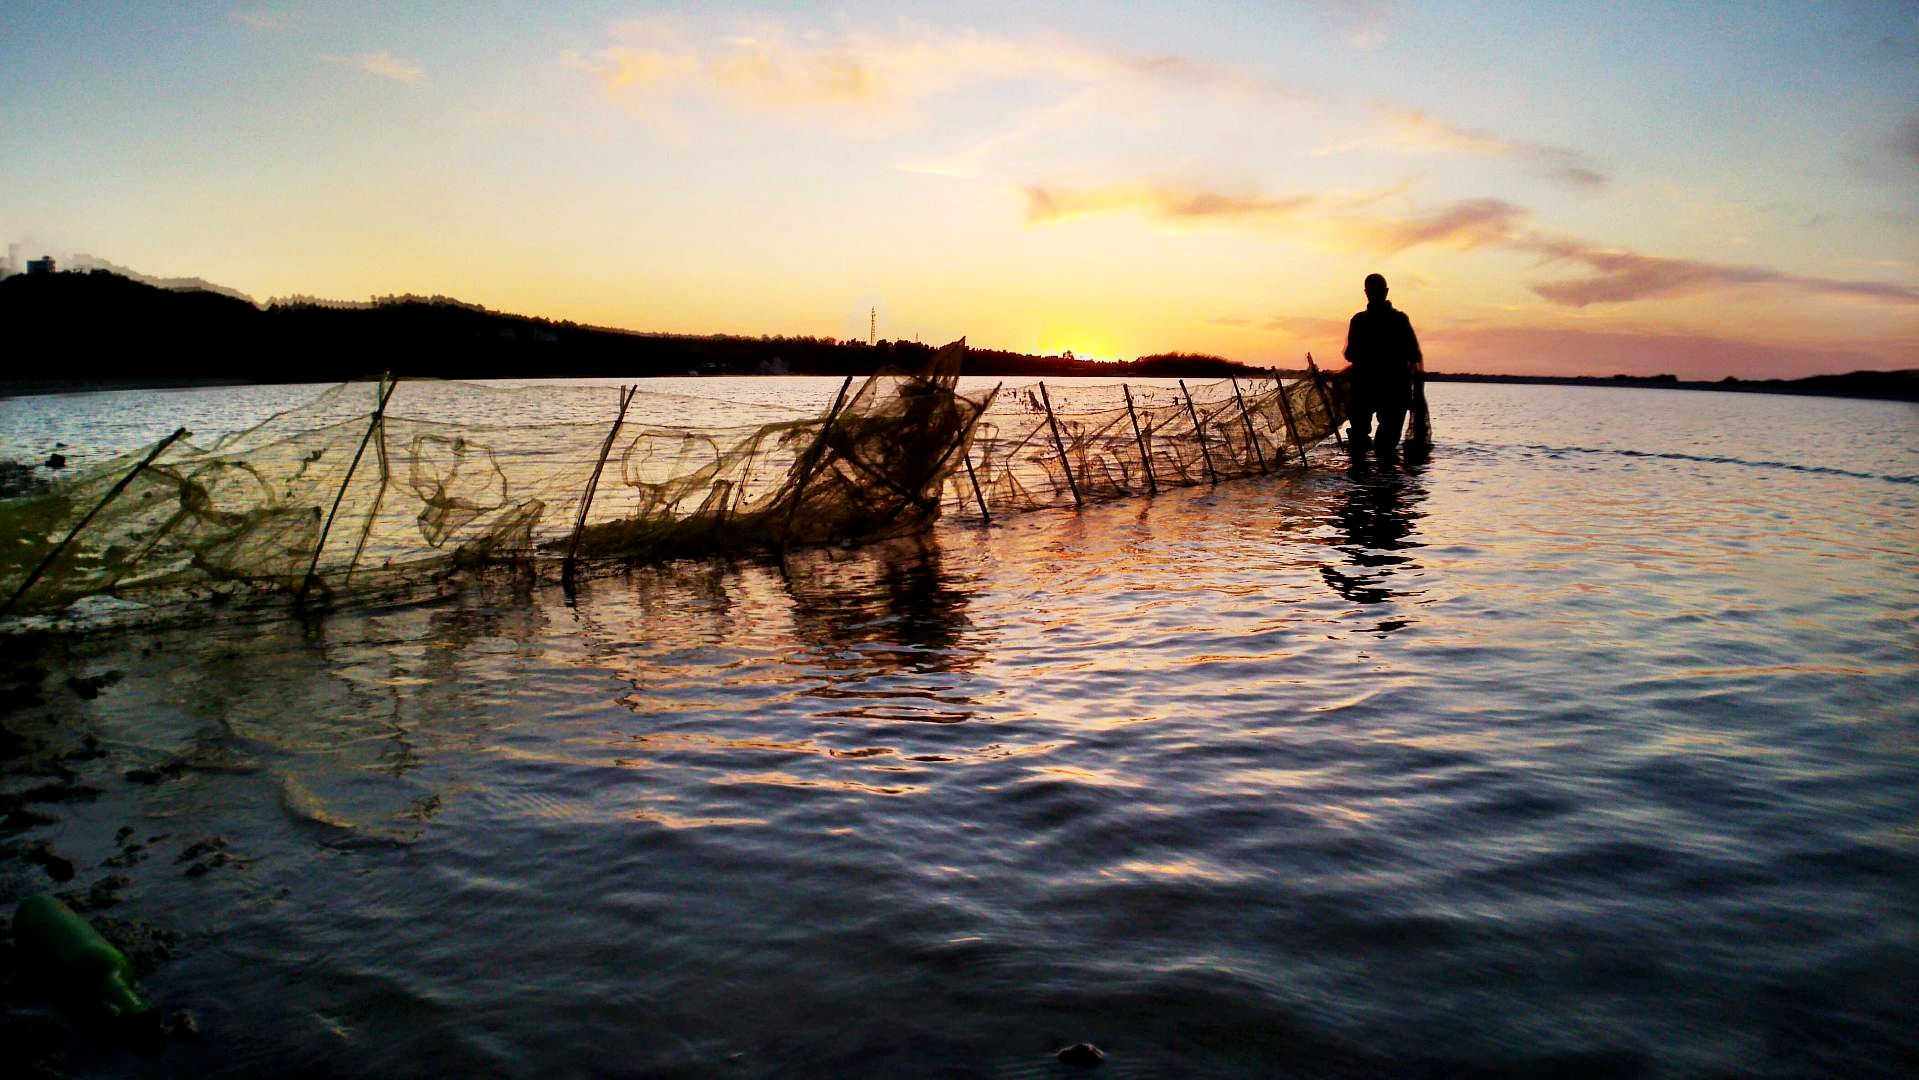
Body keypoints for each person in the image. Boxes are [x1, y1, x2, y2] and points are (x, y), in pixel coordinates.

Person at [1342, 273, 1421, 455]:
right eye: (1373, 291)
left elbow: (1350, 354)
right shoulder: (1396, 320)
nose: (1374, 294)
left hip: (1377, 387)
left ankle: (1365, 467)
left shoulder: (1361, 320)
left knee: (1366, 440)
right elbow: (1413, 353)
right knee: (1382, 444)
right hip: (1386, 388)